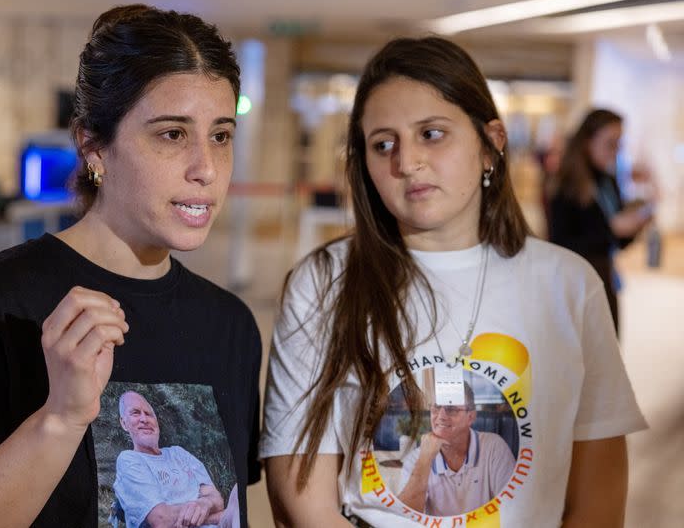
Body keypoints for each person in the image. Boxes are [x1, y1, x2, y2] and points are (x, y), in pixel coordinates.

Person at [0, 5, 261, 528]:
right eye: (172, 134)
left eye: (220, 136)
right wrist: (60, 419)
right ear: (93, 147)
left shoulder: (231, 325)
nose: (206, 169)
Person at [260, 37, 646, 527]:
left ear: (491, 145)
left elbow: (599, 499)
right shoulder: (323, 283)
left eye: (432, 133)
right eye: (383, 144)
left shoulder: (569, 284)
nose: (407, 161)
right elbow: (301, 498)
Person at [548, 109, 654, 333]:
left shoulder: (609, 181)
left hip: (605, 278)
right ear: (588, 142)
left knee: (607, 351)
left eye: (619, 144)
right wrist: (611, 229)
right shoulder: (566, 185)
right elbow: (559, 245)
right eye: (610, 143)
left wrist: (634, 226)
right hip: (574, 285)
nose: (617, 151)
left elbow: (618, 244)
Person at [113, 391, 240, 528]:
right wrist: (219, 516)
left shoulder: (179, 453)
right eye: (135, 413)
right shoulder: (129, 460)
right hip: (217, 522)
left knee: (241, 490)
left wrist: (204, 503)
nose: (144, 419)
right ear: (124, 423)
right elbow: (161, 519)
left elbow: (216, 500)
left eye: (149, 414)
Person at [397, 382, 514, 516]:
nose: (440, 416)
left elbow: (512, 509)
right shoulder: (415, 459)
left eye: (451, 409)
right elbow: (404, 518)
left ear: (471, 417)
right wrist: (425, 459)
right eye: (436, 407)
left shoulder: (494, 447)